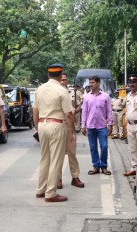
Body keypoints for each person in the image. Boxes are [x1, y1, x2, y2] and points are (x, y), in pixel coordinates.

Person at [33, 63, 75, 202]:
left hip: (42, 124)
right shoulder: (62, 90)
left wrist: (36, 128)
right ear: (61, 73)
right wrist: (73, 132)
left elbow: (35, 111)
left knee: (44, 159)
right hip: (57, 125)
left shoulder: (40, 89)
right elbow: (69, 114)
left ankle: (41, 189)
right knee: (56, 160)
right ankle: (51, 193)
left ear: (48, 74)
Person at [56, 72, 84, 189]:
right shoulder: (55, 92)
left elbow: (78, 106)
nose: (63, 82)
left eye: (65, 80)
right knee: (58, 154)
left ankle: (75, 177)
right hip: (58, 124)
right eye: (61, 80)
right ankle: (58, 179)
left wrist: (74, 111)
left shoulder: (73, 92)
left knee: (72, 153)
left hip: (69, 124)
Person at [81, 75, 113, 176]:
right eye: (90, 82)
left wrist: (110, 123)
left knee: (104, 146)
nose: (91, 84)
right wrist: (83, 125)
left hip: (102, 125)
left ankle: (104, 166)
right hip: (90, 126)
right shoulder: (86, 97)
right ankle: (96, 166)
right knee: (93, 147)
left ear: (98, 83)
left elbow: (109, 111)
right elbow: (84, 112)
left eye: (93, 83)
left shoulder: (105, 96)